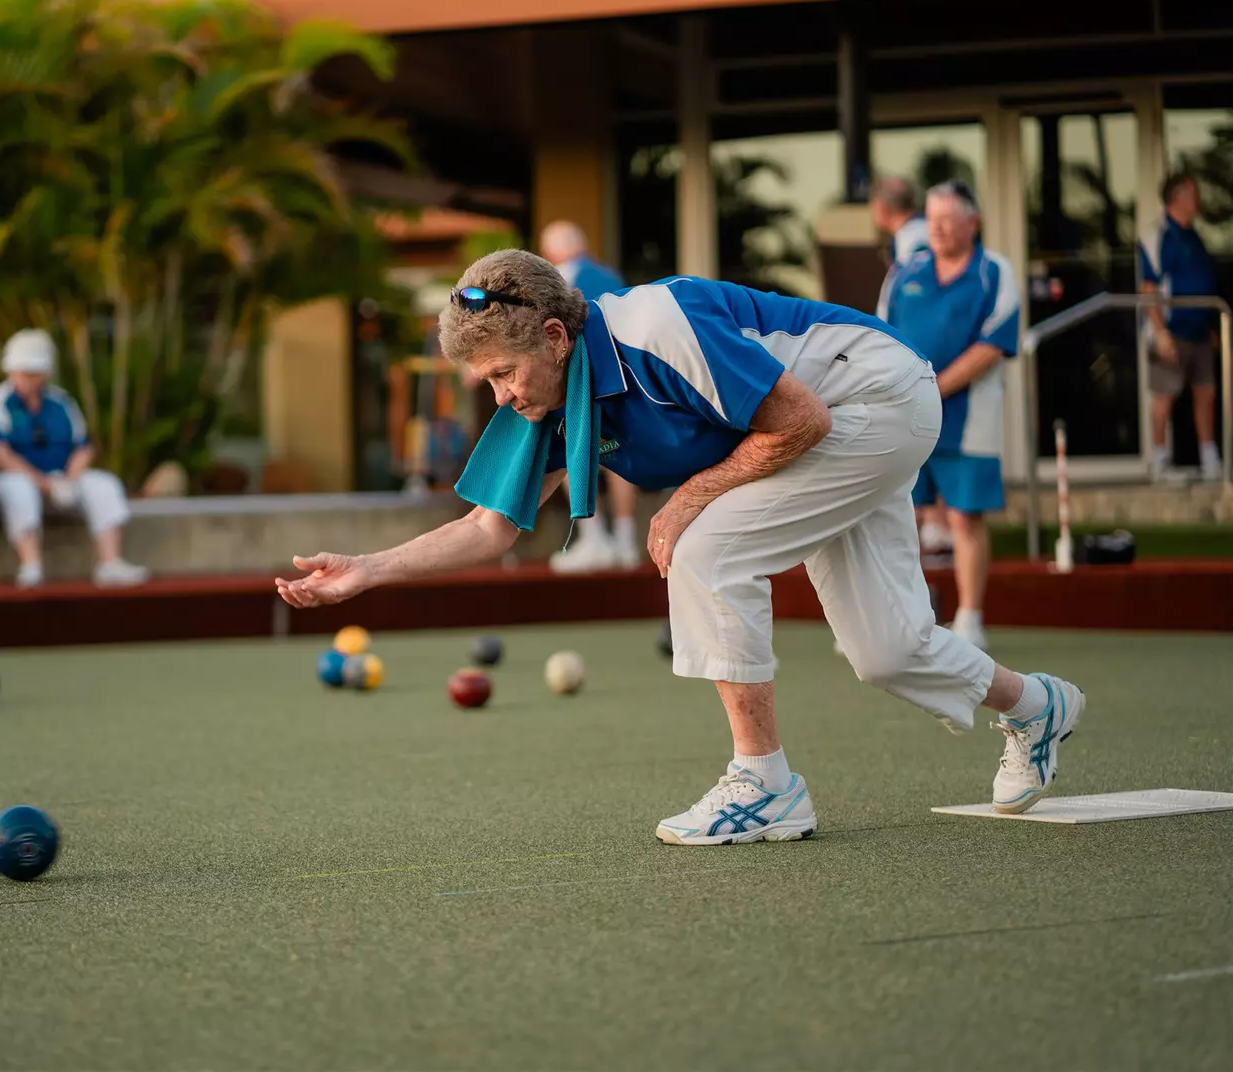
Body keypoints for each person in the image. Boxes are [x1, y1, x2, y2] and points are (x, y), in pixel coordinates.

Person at [276, 249, 1085, 842]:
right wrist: (366, 572)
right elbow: (489, 528)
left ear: (556, 336)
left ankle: (765, 784)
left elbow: (800, 421)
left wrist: (688, 499)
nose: (502, 395)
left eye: (502, 374)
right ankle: (1037, 707)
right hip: (833, 429)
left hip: (876, 393)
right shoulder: (548, 401)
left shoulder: (655, 327)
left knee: (704, 546)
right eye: (488, 382)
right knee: (884, 650)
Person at [879, 181, 1019, 651]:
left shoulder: (994, 270)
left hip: (970, 418)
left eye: (946, 218)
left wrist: (932, 388)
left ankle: (970, 618)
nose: (934, 228)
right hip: (907, 416)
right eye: (930, 217)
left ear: (971, 222)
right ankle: (907, 615)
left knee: (964, 518)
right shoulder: (904, 272)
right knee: (903, 517)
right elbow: (878, 335)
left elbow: (995, 343)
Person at [0, 329, 149, 588]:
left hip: (61, 478)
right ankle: (31, 565)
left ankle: (110, 563)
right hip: (12, 481)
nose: (27, 380)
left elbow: (83, 447)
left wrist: (69, 479)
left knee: (104, 484)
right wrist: (40, 482)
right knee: (19, 489)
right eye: (22, 373)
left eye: (34, 374)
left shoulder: (62, 402)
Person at [538, 220, 640, 572]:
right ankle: (626, 542)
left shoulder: (555, 278)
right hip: (621, 377)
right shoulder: (610, 277)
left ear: (551, 250)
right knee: (619, 455)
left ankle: (594, 537)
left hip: (580, 379)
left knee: (571, 454)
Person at [870, 175, 950, 555]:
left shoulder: (916, 241)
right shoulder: (908, 239)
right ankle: (932, 520)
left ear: (882, 208)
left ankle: (937, 521)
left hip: (921, 357)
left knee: (925, 434)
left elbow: (922, 301)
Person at [1140, 171, 1224, 483]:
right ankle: (1159, 460)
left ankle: (1209, 457)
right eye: (1194, 193)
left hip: (1199, 330)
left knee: (1206, 391)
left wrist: (1211, 327)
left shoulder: (1194, 235)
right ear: (1179, 197)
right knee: (1165, 395)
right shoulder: (1158, 235)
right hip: (1170, 331)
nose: (1199, 198)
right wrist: (1161, 334)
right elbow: (1147, 289)